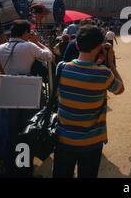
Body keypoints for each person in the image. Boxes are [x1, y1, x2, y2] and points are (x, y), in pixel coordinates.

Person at [53, 26, 124, 178]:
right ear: (99, 47)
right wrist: (110, 62)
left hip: (64, 138)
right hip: (91, 141)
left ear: (77, 45)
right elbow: (120, 89)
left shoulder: (62, 68)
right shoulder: (104, 73)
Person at [0, 20, 53, 176]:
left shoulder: (1, 48)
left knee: (10, 129)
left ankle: (10, 166)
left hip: (8, 89)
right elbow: (49, 56)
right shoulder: (28, 46)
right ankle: (25, 167)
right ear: (26, 32)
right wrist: (38, 42)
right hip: (27, 89)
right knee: (27, 129)